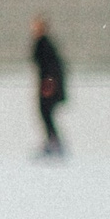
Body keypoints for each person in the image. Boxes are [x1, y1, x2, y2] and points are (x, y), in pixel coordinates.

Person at [32, 14, 67, 158]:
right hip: (48, 84)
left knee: (46, 113)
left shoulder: (44, 43)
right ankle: (52, 142)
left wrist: (49, 84)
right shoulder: (42, 43)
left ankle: (54, 143)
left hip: (48, 85)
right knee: (46, 114)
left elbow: (51, 66)